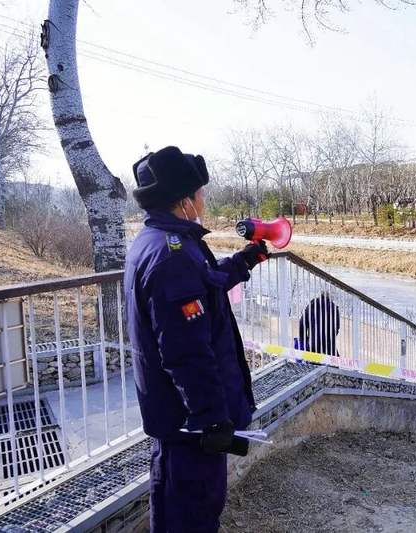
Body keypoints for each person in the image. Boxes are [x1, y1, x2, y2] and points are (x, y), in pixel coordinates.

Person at [124, 146, 268, 532]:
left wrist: (243, 262)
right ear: (183, 200)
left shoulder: (163, 241)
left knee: (185, 513)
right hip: (190, 429)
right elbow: (185, 351)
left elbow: (205, 284)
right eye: (200, 192)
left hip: (182, 423)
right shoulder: (172, 257)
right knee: (191, 516)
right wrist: (211, 419)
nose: (204, 199)